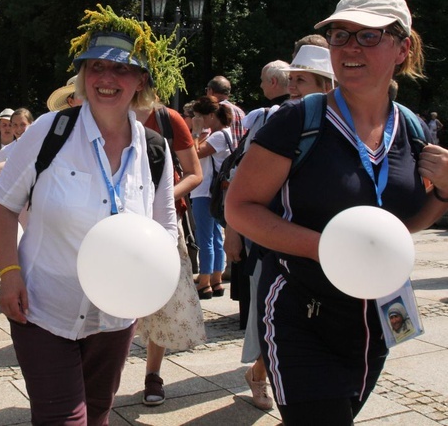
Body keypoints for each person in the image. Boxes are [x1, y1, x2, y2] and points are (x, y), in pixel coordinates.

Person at [225, 0, 448, 425]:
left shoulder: (413, 129)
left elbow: (402, 228)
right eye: (340, 35)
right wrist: (325, 247)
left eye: (368, 36)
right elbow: (240, 208)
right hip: (300, 314)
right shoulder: (298, 121)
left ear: (402, 48)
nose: (349, 47)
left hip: (376, 320)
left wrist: (443, 193)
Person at [0, 4, 179, 424]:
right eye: (95, 67)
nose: (106, 79)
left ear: (141, 80)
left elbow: (165, 226)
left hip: (114, 318)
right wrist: (8, 273)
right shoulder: (50, 131)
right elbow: (1, 205)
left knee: (97, 414)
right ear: (82, 75)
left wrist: (152, 286)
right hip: (42, 309)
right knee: (63, 419)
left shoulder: (154, 150)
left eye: (121, 69)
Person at [232, 47, 335, 412]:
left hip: (334, 254)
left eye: (301, 80)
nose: (292, 87)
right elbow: (239, 183)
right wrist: (234, 234)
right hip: (276, 244)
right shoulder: (279, 118)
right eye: (290, 80)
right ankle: (261, 377)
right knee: (271, 323)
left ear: (327, 84)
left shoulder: (348, 124)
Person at [134, 101, 205, 406]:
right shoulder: (101, 114)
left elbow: (194, 173)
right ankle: (98, 377)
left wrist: (157, 199)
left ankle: (153, 374)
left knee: (161, 302)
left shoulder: (166, 118)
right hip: (113, 227)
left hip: (161, 224)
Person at [190, 96, 234, 299]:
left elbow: (193, 153)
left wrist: (196, 131)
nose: (196, 120)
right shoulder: (224, 134)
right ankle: (216, 279)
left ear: (210, 115)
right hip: (214, 193)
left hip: (205, 192)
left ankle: (205, 282)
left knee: (205, 238)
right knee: (215, 237)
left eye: (199, 116)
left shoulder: (217, 136)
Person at [206, 76, 245, 148]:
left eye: (207, 90)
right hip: (239, 156)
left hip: (220, 156)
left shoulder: (215, 110)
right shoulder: (240, 111)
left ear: (210, 90)